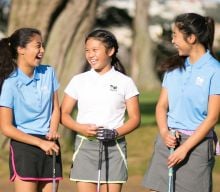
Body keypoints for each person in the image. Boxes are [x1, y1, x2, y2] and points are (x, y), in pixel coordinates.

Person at [142, 12, 220, 192]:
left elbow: (212, 117)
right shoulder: (173, 68)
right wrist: (164, 132)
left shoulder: (215, 70)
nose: (172, 40)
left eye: (175, 35)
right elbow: (161, 106)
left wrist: (185, 148)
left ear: (191, 38)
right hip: (168, 141)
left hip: (197, 146)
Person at [61, 29, 140, 192]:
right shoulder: (78, 81)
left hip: (114, 147)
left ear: (110, 51)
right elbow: (64, 114)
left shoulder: (125, 82)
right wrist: (80, 128)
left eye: (95, 50)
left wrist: (115, 133)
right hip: (85, 146)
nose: (90, 55)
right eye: (87, 50)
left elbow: (135, 119)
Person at [0, 28, 62, 192]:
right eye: (37, 46)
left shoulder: (49, 72)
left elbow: (56, 108)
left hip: (50, 144)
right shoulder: (9, 84)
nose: (42, 50)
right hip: (24, 146)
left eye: (42, 46)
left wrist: (53, 130)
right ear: (21, 49)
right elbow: (6, 127)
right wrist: (40, 143)